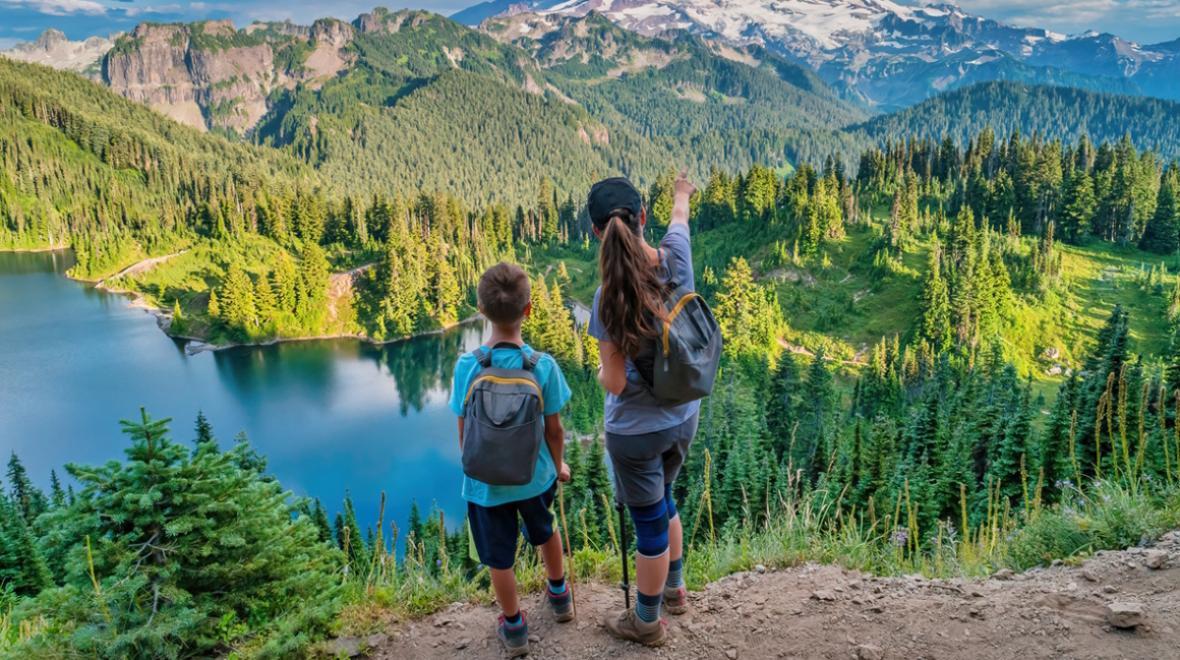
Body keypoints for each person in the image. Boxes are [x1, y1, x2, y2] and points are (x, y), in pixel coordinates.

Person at [587, 173, 699, 646]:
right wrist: (681, 192)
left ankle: (646, 622)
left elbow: (613, 381)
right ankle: (674, 588)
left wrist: (597, 371)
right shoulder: (677, 259)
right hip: (683, 417)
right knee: (666, 499)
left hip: (634, 434)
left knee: (649, 523)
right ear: (642, 219)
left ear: (596, 232)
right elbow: (680, 221)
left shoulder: (606, 298)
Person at [449, 263, 575, 658]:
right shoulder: (543, 366)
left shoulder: (467, 366)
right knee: (546, 531)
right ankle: (559, 596)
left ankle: (515, 626)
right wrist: (559, 465)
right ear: (529, 309)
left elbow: (463, 429)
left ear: (481, 310)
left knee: (498, 557)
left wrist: (473, 462)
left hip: (485, 485)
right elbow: (554, 430)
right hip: (534, 477)